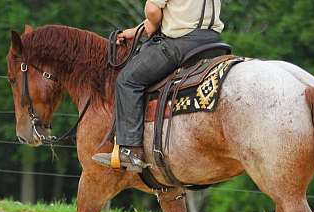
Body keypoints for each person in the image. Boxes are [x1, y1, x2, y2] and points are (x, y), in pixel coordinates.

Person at [92, 0, 224, 172]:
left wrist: (153, 23)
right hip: (212, 42)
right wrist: (134, 32)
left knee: (127, 80)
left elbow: (153, 11)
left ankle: (130, 151)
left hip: (181, 44)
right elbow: (176, 15)